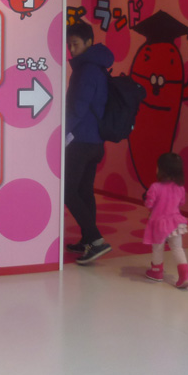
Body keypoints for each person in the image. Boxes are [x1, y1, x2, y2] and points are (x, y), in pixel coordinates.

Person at [65, 20, 114, 264]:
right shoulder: (99, 67)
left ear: (88, 42)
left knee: (67, 191)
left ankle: (96, 240)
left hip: (80, 141)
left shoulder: (86, 70)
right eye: (69, 45)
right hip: (95, 143)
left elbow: (78, 107)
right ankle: (87, 240)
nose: (72, 50)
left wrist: (61, 133)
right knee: (84, 191)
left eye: (75, 44)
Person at [143, 152, 188, 288]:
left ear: (161, 170)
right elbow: (181, 202)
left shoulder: (155, 187)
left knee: (157, 247)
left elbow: (149, 204)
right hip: (176, 223)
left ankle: (156, 271)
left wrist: (147, 199)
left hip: (159, 223)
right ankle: (185, 274)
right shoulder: (180, 188)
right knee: (177, 248)